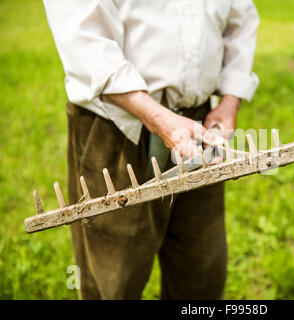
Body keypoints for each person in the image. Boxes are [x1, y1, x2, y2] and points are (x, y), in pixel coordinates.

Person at [43, 0, 259, 299]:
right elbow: (83, 38)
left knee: (201, 270)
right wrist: (159, 119)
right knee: (114, 280)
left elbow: (241, 20)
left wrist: (231, 99)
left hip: (198, 128)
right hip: (116, 127)